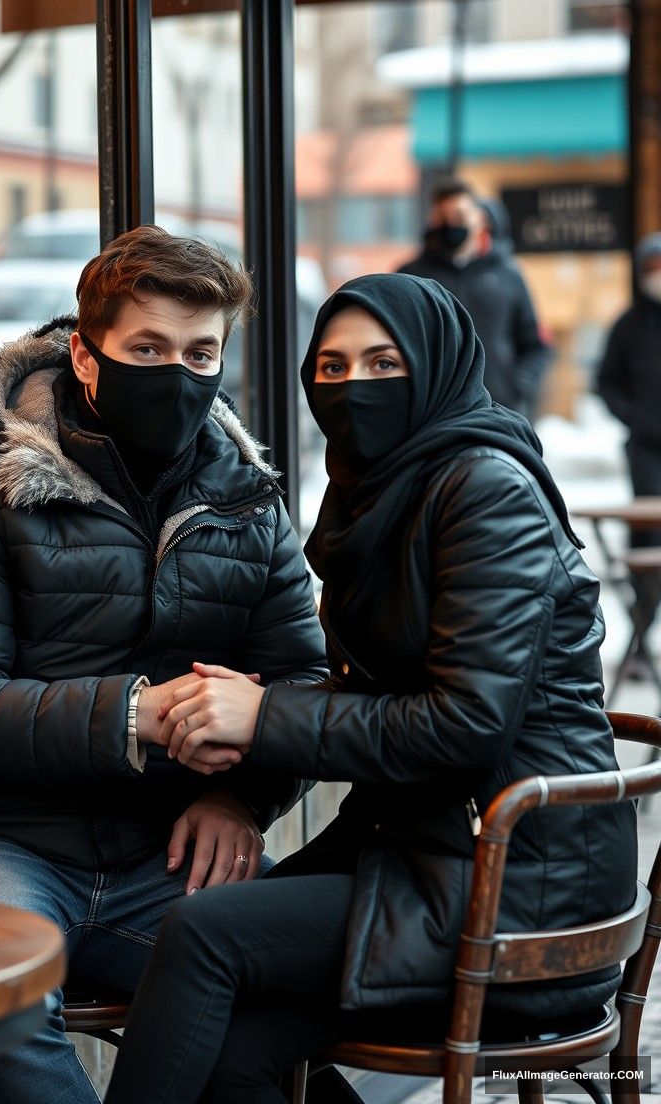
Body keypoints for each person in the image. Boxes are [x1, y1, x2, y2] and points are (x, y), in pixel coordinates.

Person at [104, 273, 637, 1104]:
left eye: (385, 363)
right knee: (227, 1046)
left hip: (522, 881)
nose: (355, 388)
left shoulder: (482, 489)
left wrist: (263, 715)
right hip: (423, 848)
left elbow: (467, 724)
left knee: (202, 937)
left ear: (436, 366)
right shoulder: (377, 496)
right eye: (332, 368)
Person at [0, 225, 330, 1104]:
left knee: (298, 983)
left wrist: (240, 798)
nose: (178, 375)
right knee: (5, 999)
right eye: (148, 348)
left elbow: (300, 685)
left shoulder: (249, 504)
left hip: (160, 856)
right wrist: (137, 715)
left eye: (202, 353)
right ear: (86, 359)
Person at [399, 177, 550, 417]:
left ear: (480, 220)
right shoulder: (410, 277)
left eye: (459, 216)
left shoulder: (508, 275)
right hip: (432, 415)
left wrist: (518, 386)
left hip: (500, 411)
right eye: (442, 218)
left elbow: (535, 345)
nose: (450, 225)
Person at [598, 231, 661, 678]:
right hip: (646, 450)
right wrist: (634, 417)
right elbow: (606, 383)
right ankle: (640, 644)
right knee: (650, 545)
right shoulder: (628, 325)